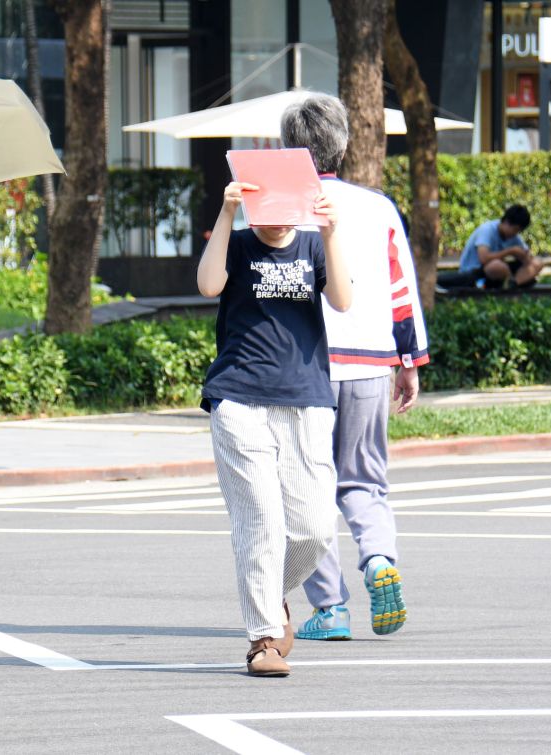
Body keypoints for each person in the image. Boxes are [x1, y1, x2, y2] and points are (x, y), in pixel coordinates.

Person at [279, 95, 430, 643]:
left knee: (306, 491)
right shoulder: (379, 207)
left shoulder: (279, 206)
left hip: (305, 367)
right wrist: (409, 361)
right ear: (342, 144)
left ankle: (330, 607)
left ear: (288, 149)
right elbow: (401, 290)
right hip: (371, 361)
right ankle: (379, 561)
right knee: (364, 480)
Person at [197, 168, 352, 677]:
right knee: (261, 519)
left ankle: (269, 593)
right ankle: (263, 638)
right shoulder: (239, 245)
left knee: (315, 528)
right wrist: (226, 213)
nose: (274, 222)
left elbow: (344, 299)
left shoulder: (311, 245)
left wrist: (330, 232)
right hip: (239, 398)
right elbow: (207, 284)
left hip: (305, 399)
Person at [454, 205, 542, 289]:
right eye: (515, 229)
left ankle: (513, 284)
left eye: (518, 231)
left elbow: (528, 256)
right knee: (496, 266)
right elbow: (483, 258)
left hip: (499, 272)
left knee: (537, 263)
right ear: (507, 222)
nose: (515, 233)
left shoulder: (514, 236)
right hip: (474, 272)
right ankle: (508, 283)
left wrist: (524, 256)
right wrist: (510, 251)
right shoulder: (487, 230)